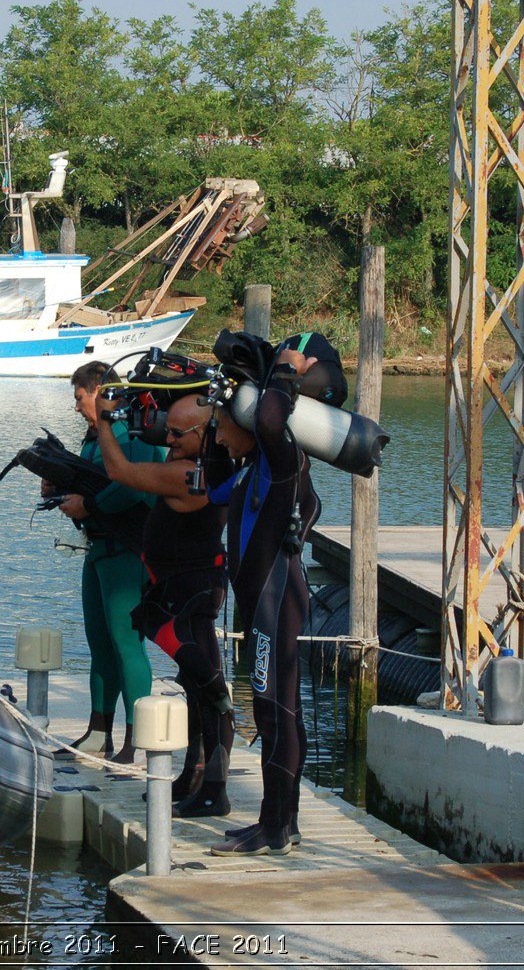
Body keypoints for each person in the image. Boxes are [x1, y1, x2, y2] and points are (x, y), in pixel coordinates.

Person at [206, 342, 322, 855]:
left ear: (246, 423)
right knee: (278, 708)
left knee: (274, 710)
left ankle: (273, 827)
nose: (217, 436)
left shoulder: (278, 460)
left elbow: (272, 422)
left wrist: (283, 372)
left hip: (276, 603)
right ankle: (283, 821)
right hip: (266, 605)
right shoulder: (252, 471)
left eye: (222, 427)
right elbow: (206, 489)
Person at [93, 392, 234, 811]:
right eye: (166, 429)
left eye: (176, 432)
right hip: (184, 587)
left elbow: (118, 470)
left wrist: (104, 421)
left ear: (204, 433)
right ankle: (194, 777)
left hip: (191, 592)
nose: (167, 438)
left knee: (209, 692)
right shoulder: (203, 463)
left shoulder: (188, 473)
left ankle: (214, 791)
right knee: (196, 688)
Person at [53, 362, 163, 763]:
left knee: (126, 644)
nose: (78, 407)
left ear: (98, 389)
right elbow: (91, 477)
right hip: (98, 549)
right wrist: (59, 484)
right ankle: (99, 733)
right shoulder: (97, 433)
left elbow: (133, 486)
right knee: (100, 644)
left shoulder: (130, 428)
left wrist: (89, 504)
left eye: (80, 398)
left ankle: (139, 736)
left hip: (127, 552)